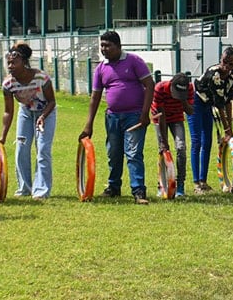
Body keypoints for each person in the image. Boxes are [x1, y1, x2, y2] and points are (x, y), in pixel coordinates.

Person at [80, 31, 154, 204]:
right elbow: (95, 97)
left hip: (135, 116)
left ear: (119, 46)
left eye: (108, 46)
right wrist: (88, 125)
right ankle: (113, 187)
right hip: (112, 117)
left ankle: (138, 191)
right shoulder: (100, 68)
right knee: (113, 153)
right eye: (102, 46)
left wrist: (145, 113)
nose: (104, 49)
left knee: (134, 153)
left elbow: (150, 85)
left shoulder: (134, 61)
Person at [0, 42, 57, 200]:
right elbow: (8, 111)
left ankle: (41, 190)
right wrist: (2, 137)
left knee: (43, 149)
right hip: (25, 112)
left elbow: (52, 101)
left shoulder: (41, 78)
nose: (10, 66)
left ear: (24, 62)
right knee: (21, 149)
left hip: (46, 112)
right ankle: (24, 188)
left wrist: (43, 117)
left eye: (13, 63)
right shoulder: (8, 84)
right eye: (8, 63)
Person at [188, 47, 233, 194]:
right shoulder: (214, 74)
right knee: (197, 141)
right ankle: (197, 183)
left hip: (207, 104)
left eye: (231, 64)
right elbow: (219, 105)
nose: (227, 67)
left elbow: (228, 102)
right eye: (225, 62)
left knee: (207, 141)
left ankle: (203, 181)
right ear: (221, 60)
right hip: (196, 102)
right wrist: (227, 130)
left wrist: (231, 129)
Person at [151, 73, 193, 198]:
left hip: (177, 117)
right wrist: (164, 141)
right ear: (171, 85)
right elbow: (161, 116)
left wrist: (183, 99)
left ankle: (180, 185)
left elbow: (190, 111)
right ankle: (162, 185)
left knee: (181, 148)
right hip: (160, 118)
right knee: (163, 150)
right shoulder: (160, 88)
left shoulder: (190, 88)